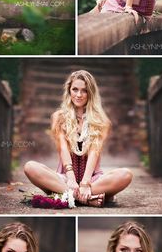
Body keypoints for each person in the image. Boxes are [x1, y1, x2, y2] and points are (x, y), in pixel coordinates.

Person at [24, 69, 132, 207]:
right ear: (69, 91)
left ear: (90, 93)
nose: (79, 95)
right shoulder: (59, 117)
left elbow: (94, 151)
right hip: (64, 179)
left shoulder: (101, 121)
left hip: (93, 180)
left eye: (84, 90)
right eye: (75, 89)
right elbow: (63, 148)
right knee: (30, 167)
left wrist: (86, 183)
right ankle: (86, 199)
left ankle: (69, 195)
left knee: (126, 175)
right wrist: (70, 179)